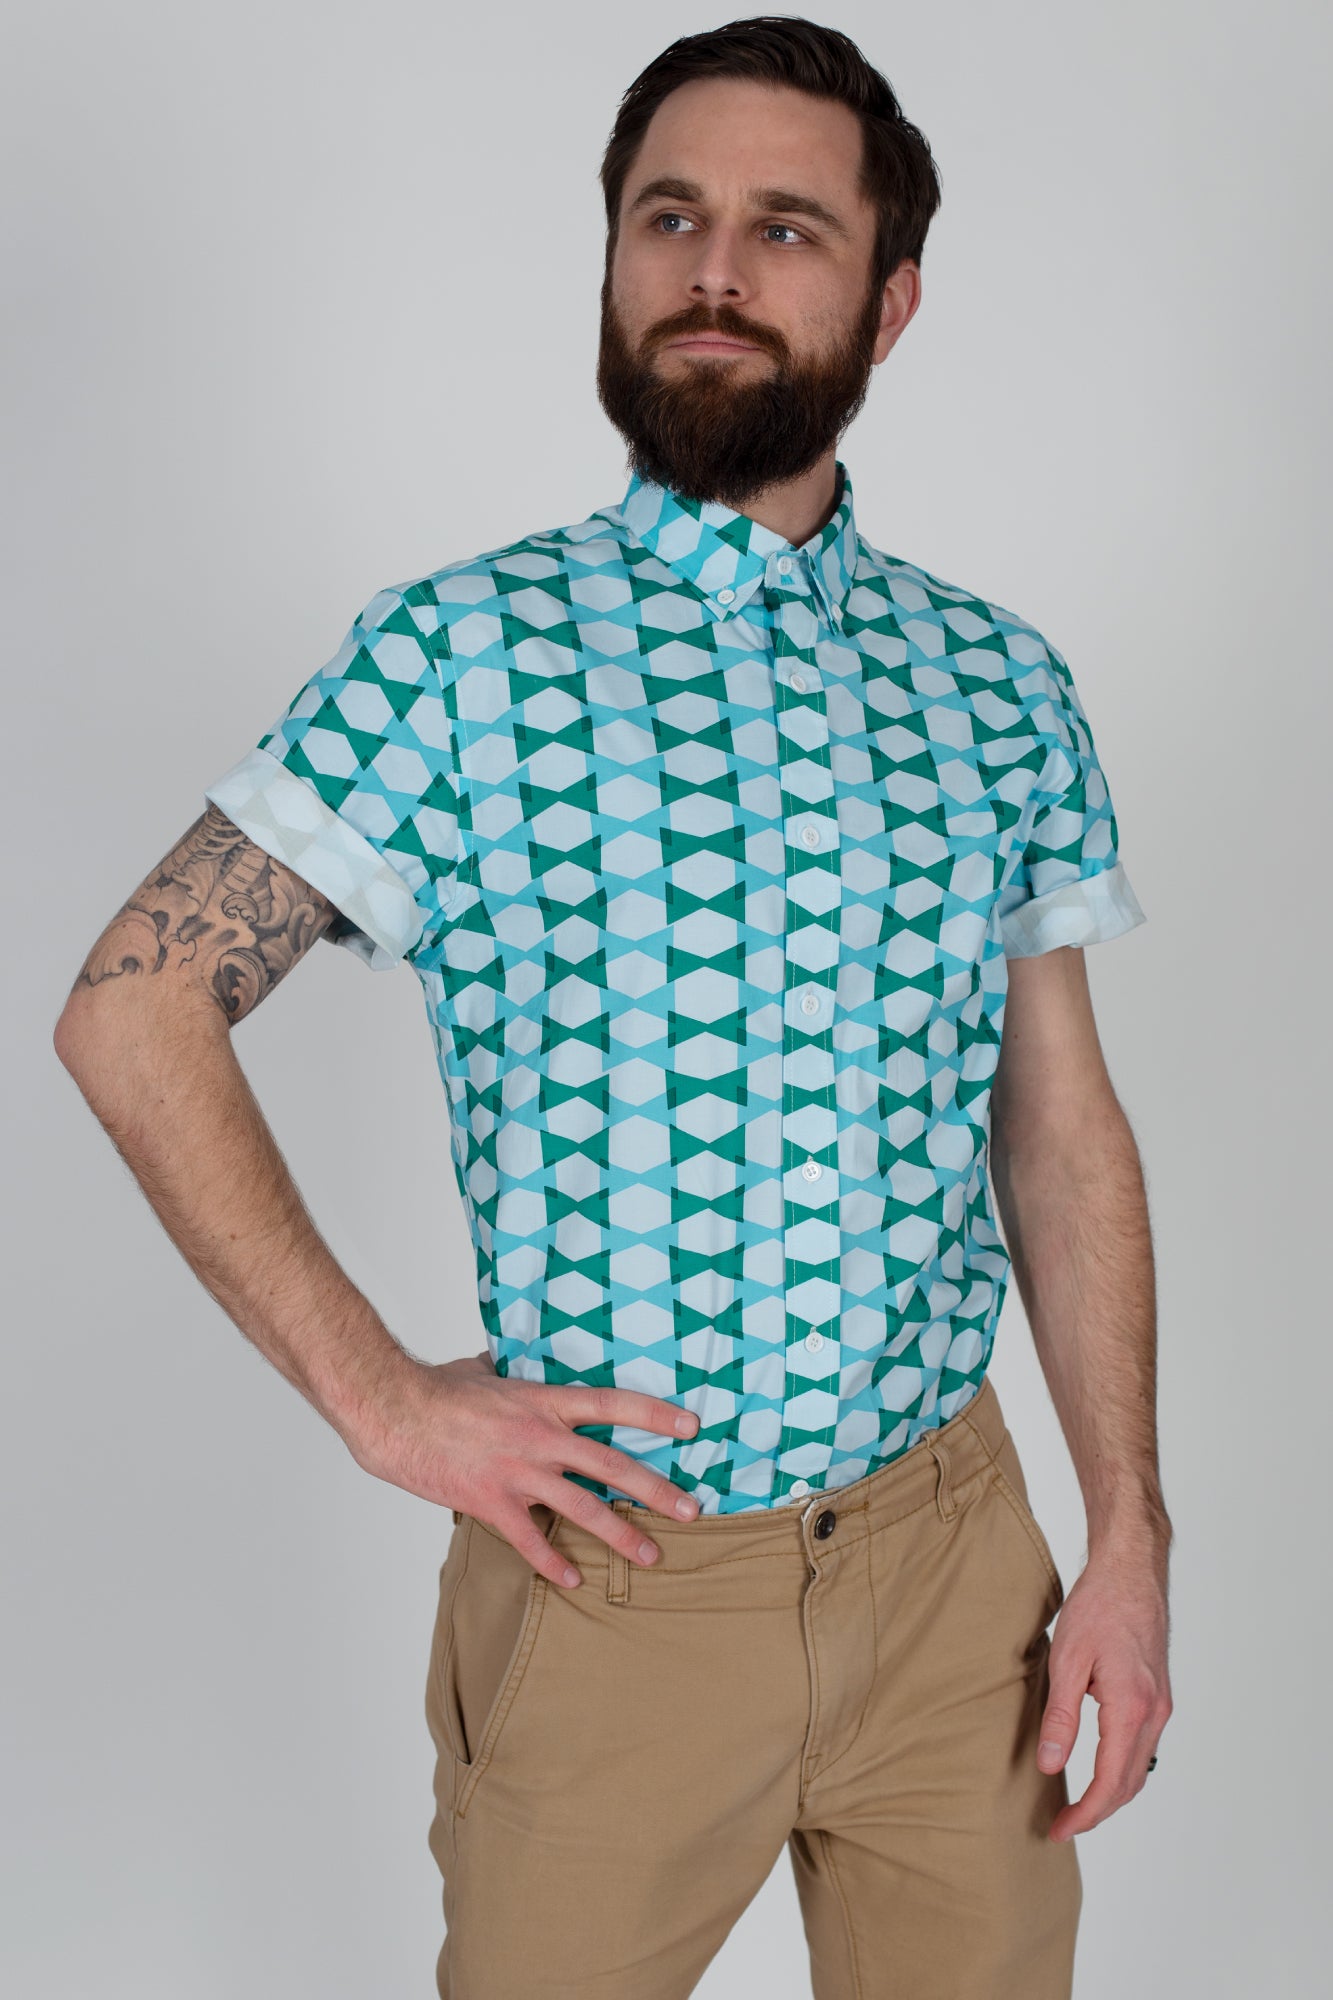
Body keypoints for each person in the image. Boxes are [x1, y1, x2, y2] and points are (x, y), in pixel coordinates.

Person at [53, 15, 1173, 1997]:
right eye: (668, 217)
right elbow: (132, 1012)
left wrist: (1129, 1534)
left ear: (890, 300)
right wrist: (382, 1398)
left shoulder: (995, 681)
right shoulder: (461, 656)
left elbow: (1057, 1121)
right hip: (619, 1581)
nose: (712, 270)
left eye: (784, 228)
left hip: (956, 1576)